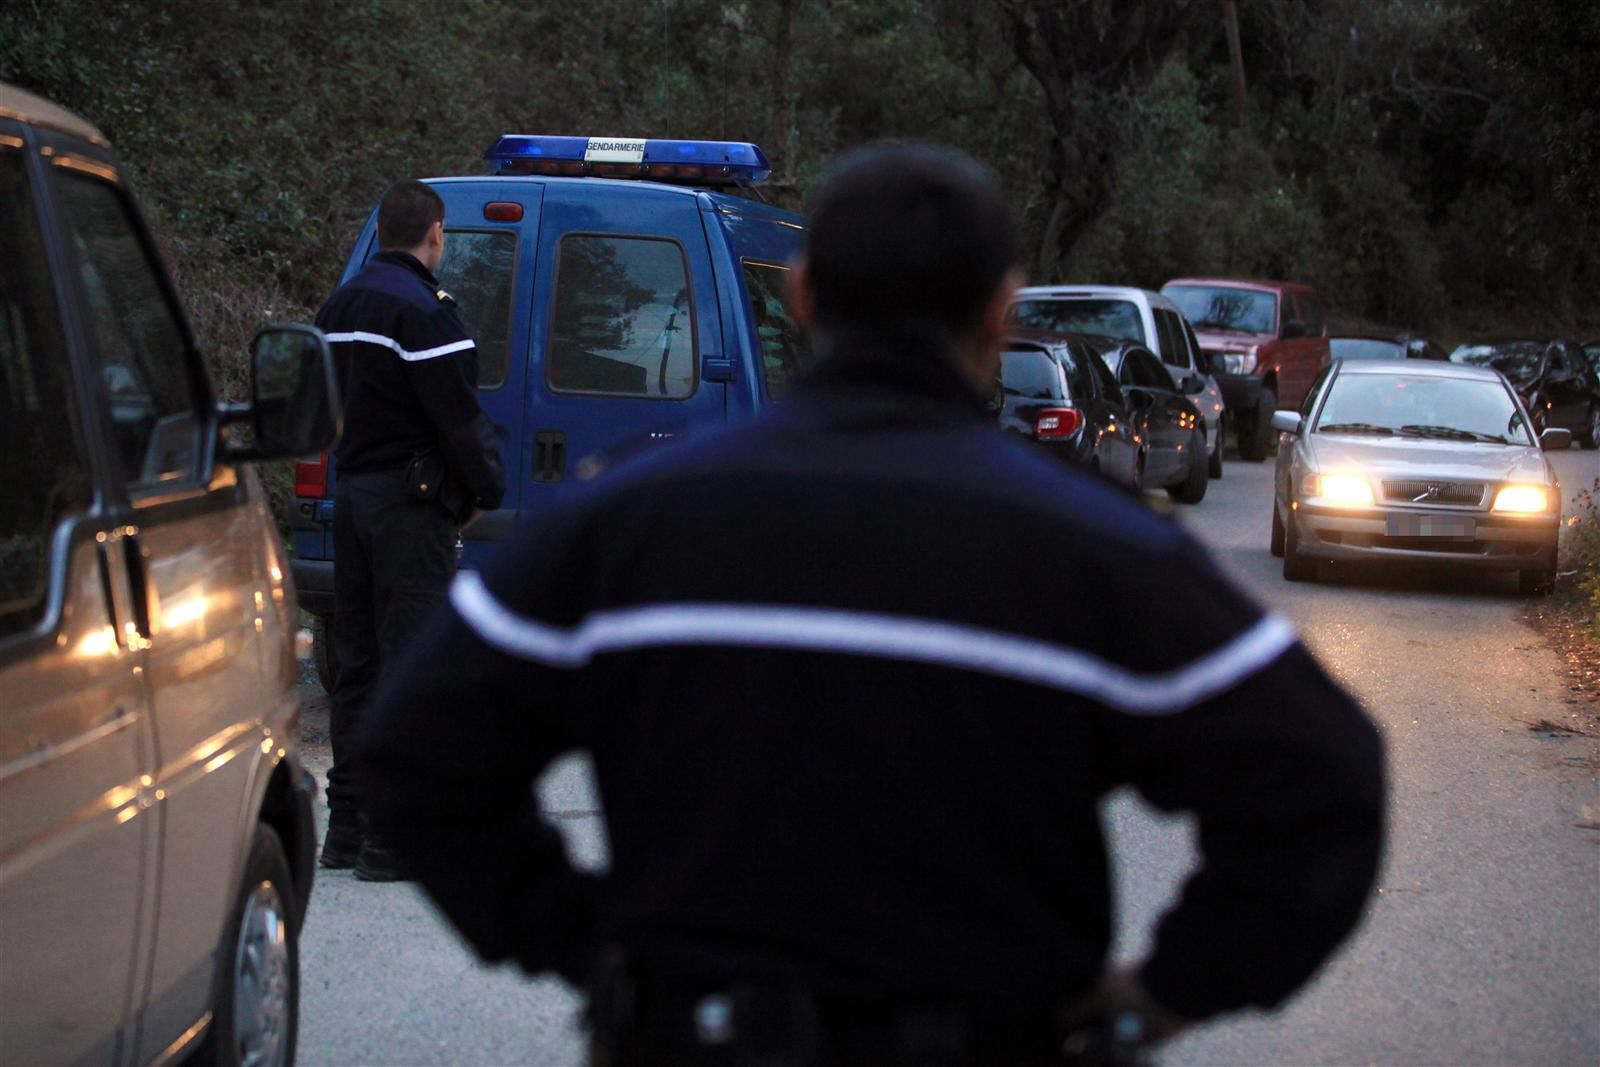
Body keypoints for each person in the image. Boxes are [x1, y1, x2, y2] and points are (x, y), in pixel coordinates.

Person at [355, 144, 1386, 1062]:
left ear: (802, 298)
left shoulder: (628, 521)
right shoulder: (1099, 547)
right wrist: (1160, 997)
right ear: (999, 311)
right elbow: (1325, 781)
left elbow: (416, 752)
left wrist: (585, 947)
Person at [315, 179, 505, 881]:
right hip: (409, 508)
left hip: (354, 503)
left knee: (358, 663)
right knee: (409, 663)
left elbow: (318, 406)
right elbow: (459, 419)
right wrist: (487, 489)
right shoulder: (426, 315)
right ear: (434, 236)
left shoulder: (336, 307)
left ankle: (347, 829)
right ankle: (392, 841)